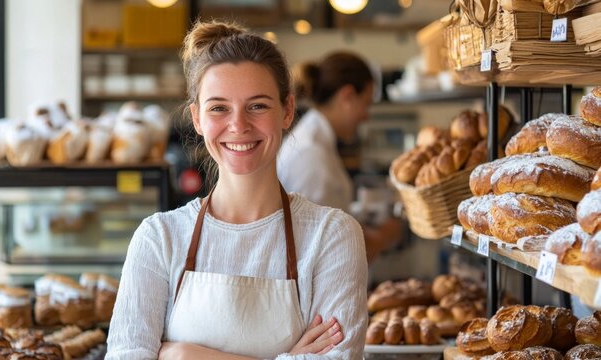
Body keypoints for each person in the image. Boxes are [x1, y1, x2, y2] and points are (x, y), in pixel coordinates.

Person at [106, 20, 368, 360]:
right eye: (219, 108)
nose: (239, 125)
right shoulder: (159, 238)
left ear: (287, 110)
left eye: (258, 105)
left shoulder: (332, 235)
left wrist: (183, 355)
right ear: (197, 118)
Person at [277, 51, 402, 264]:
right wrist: (383, 237)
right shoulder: (310, 154)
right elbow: (321, 250)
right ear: (347, 96)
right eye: (366, 103)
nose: (366, 116)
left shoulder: (317, 141)